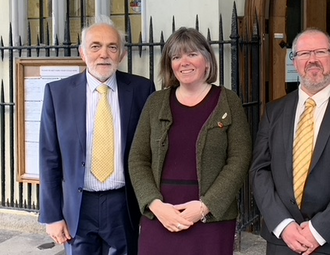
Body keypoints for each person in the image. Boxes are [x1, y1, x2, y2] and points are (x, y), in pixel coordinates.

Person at [250, 28, 330, 255]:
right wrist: (283, 224)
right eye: (304, 54)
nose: (312, 60)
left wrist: (318, 229)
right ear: (295, 61)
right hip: (283, 241)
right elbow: (260, 170)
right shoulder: (274, 111)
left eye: (320, 52)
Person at [128, 27, 252, 255]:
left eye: (192, 54)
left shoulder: (228, 101)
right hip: (160, 215)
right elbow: (138, 159)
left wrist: (205, 206)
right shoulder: (155, 102)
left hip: (211, 220)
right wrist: (154, 204)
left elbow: (239, 159)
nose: (184, 62)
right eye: (176, 57)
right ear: (170, 65)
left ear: (207, 59)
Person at [38, 16, 156, 255]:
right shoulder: (57, 93)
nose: (104, 54)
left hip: (124, 204)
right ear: (82, 53)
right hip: (79, 208)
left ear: (122, 55)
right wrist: (52, 216)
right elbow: (49, 157)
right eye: (95, 46)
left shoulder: (143, 90)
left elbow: (152, 151)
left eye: (112, 47)